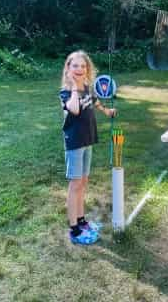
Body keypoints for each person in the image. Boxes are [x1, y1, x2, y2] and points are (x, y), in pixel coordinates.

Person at [59, 50, 116, 245]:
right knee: (75, 185)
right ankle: (74, 230)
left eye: (83, 66)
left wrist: (106, 111)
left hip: (87, 140)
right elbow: (74, 109)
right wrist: (75, 86)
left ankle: (82, 221)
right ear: (68, 68)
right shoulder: (66, 92)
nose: (79, 69)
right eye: (75, 66)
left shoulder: (88, 88)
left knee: (83, 182)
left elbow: (95, 101)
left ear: (87, 69)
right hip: (74, 143)